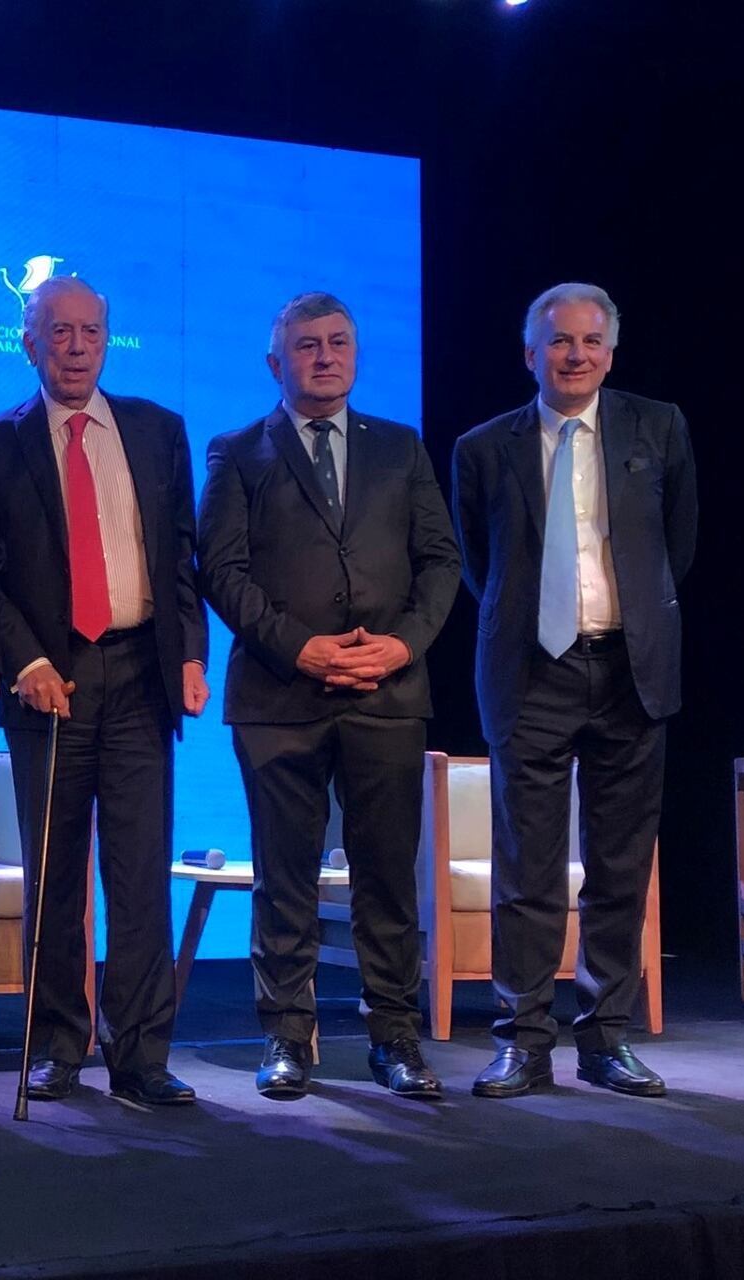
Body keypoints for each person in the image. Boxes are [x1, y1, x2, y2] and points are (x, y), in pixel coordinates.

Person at [196, 292, 459, 1100]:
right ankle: (285, 1036)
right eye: (306, 345)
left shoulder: (402, 448)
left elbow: (440, 561)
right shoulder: (238, 452)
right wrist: (299, 647)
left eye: (338, 342)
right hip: (280, 697)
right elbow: (221, 571)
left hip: (386, 692)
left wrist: (402, 644)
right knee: (286, 875)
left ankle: (395, 1039)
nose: (324, 356)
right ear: (276, 362)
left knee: (386, 874)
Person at [452, 282, 696, 1099]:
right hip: (532, 671)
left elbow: (677, 547)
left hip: (631, 670)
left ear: (611, 353)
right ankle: (523, 1041)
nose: (577, 354)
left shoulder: (657, 427)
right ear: (532, 354)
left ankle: (605, 1039)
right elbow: (479, 567)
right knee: (527, 868)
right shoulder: (484, 447)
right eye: (560, 341)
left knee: (621, 868)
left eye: (592, 341)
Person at [0, 275, 209, 1109]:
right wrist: (25, 659)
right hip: (50, 681)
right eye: (59, 332)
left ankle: (141, 1055)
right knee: (55, 877)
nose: (76, 347)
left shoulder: (156, 431)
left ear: (107, 339)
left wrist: (188, 652)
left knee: (141, 874)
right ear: (29, 340)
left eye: (90, 332)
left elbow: (179, 559)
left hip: (140, 674)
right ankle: (55, 1048)